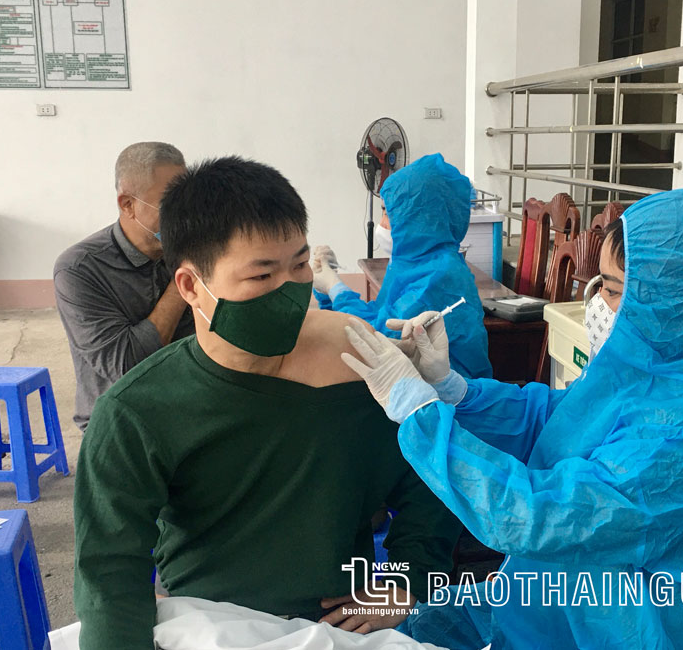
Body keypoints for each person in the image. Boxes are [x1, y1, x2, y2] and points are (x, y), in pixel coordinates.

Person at [340, 188, 683, 649]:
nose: (597, 301)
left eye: (613, 290)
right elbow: (553, 419)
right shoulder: (644, 372)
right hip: (557, 599)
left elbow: (539, 516)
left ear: (670, 306)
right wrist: (452, 390)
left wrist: (419, 414)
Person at [72, 156, 461, 649]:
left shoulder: (361, 370)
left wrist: (407, 581)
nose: (290, 292)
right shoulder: (139, 411)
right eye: (261, 277)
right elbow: (109, 571)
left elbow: (432, 477)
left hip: (342, 631)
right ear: (191, 287)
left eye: (299, 266)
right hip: (212, 627)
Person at [311, 153, 492, 380]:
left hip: (446, 393)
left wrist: (335, 288)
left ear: (420, 218)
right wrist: (327, 289)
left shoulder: (440, 276)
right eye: (382, 211)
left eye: (388, 213)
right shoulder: (412, 263)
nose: (382, 224)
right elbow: (380, 315)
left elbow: (378, 336)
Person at [54, 141, 194, 430]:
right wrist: (185, 278)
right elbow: (128, 365)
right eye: (170, 205)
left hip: (188, 407)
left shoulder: (191, 247)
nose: (184, 215)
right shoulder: (80, 269)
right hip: (122, 423)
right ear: (128, 205)